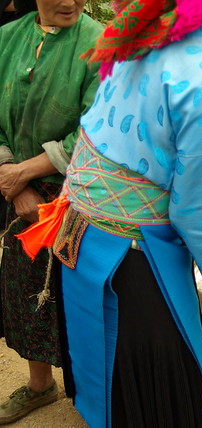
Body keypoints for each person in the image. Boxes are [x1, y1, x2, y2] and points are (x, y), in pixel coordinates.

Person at [16, 0, 202, 426]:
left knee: (102, 369)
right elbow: (191, 211)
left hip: (78, 235)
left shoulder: (146, 31)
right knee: (160, 392)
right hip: (131, 262)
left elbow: (139, 114)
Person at [0, 0, 103, 424]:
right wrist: (15, 183)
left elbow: (96, 126)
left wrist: (26, 171)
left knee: (81, 294)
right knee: (26, 287)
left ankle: (95, 394)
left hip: (79, 193)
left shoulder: (99, 45)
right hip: (17, 190)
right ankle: (40, 386)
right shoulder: (7, 39)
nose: (69, 2)